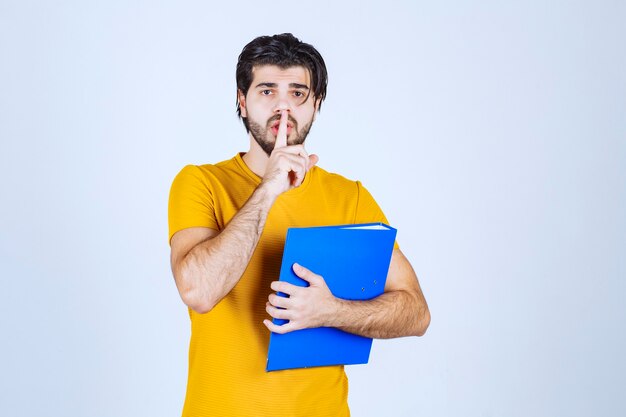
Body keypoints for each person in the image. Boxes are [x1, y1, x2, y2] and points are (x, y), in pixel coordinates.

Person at [168, 33, 430, 417]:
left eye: (298, 93)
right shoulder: (201, 183)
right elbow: (199, 291)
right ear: (242, 101)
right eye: (267, 92)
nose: (283, 108)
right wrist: (269, 188)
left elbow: (416, 312)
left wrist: (332, 311)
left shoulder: (350, 197)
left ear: (316, 104)